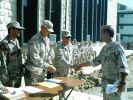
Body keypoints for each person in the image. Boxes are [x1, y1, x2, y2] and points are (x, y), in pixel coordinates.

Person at [73, 25, 129, 100]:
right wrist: (80, 65)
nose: (101, 36)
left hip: (115, 84)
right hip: (106, 84)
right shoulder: (104, 49)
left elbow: (124, 68)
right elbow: (95, 62)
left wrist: (123, 83)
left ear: (106, 34)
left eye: (102, 34)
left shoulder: (117, 48)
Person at [25, 20, 56, 85]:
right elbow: (35, 58)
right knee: (32, 93)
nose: (49, 33)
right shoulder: (35, 39)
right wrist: (47, 66)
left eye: (50, 31)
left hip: (41, 71)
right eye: (48, 31)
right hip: (33, 73)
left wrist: (50, 64)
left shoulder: (47, 39)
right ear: (42, 28)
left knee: (40, 93)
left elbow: (48, 54)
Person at [0, 21, 25, 93]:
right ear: (11, 30)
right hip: (9, 78)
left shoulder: (16, 41)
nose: (20, 31)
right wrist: (5, 80)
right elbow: (3, 63)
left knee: (17, 95)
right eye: (18, 29)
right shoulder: (4, 43)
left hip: (17, 76)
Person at [52, 30, 74, 100]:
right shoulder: (58, 46)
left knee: (63, 91)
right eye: (66, 38)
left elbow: (72, 58)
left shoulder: (71, 46)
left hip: (66, 72)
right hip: (58, 73)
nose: (68, 39)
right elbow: (61, 60)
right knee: (53, 90)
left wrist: (72, 68)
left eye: (69, 38)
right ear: (62, 37)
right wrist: (71, 66)